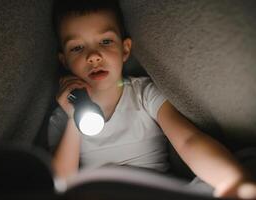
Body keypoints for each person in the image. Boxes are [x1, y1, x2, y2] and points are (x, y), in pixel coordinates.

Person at [48, 0, 256, 199]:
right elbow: (62, 185)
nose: (93, 56)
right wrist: (74, 117)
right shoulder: (62, 115)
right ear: (64, 60)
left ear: (125, 49)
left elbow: (187, 140)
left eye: (105, 41)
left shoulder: (143, 94)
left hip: (154, 192)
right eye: (77, 48)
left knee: (242, 164)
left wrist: (233, 181)